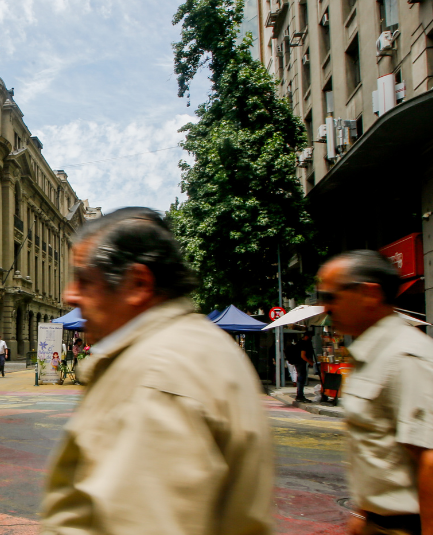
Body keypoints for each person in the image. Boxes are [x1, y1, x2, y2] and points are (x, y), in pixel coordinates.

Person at [40, 208, 273, 535]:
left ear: (138, 283)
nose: (70, 296)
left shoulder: (156, 374)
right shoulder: (194, 346)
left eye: (85, 280)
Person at [317, 250, 433, 535]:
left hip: (412, 526)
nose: (325, 307)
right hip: (385, 522)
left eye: (331, 296)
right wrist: (364, 512)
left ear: (369, 294)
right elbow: (382, 446)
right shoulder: (376, 353)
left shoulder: (405, 358)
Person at [291, 330, 314, 403]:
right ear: (307, 336)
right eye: (311, 336)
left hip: (298, 363)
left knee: (300, 379)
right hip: (300, 363)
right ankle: (300, 396)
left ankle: (299, 395)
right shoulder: (304, 343)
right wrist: (310, 362)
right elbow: (303, 355)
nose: (311, 338)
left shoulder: (300, 342)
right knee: (301, 379)